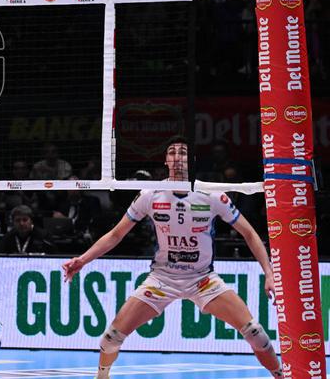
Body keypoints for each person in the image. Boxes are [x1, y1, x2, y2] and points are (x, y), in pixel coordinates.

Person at [62, 137, 282, 379]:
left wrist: (269, 274)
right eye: (172, 152)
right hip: (162, 280)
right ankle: (102, 376)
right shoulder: (150, 194)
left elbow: (249, 233)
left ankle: (281, 375)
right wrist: (82, 260)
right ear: (166, 161)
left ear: (192, 161)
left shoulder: (212, 194)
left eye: (183, 153)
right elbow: (116, 234)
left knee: (255, 332)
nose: (177, 157)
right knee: (110, 339)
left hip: (203, 279)